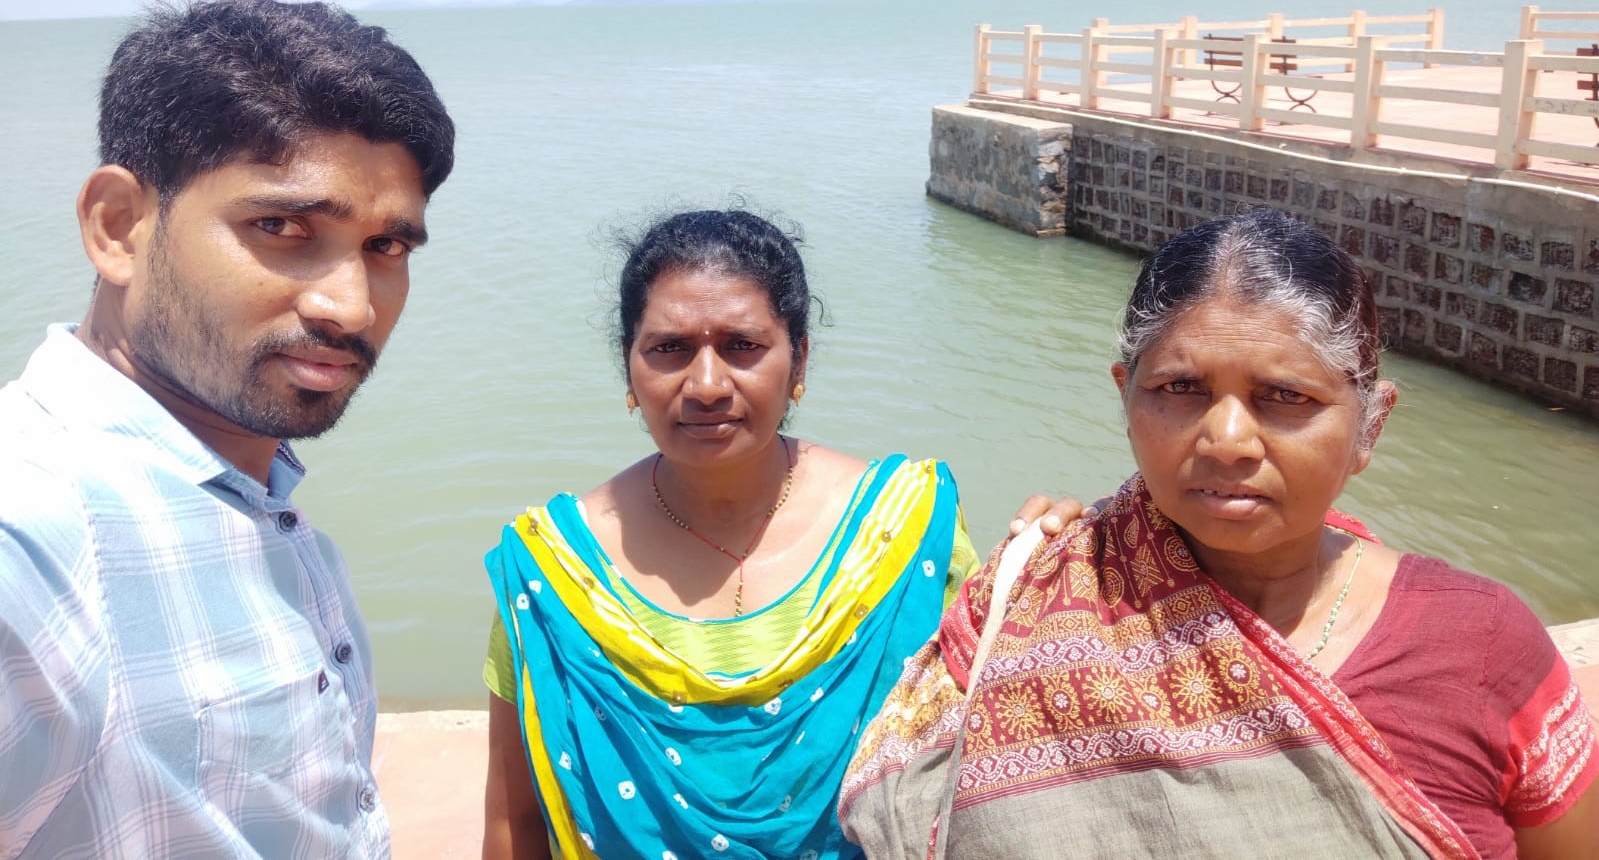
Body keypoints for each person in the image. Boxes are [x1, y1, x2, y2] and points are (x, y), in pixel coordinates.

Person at [841, 208, 1599, 860]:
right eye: (1180, 388)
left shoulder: (1479, 642)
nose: (1227, 437)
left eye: (1284, 395)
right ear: (1124, 396)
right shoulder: (1027, 596)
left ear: (1370, 423)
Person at [0, 0, 455, 858]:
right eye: (280, 227)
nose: (350, 305)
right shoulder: (33, 540)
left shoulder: (253, 492)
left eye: (386, 248)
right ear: (118, 226)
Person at [481, 209, 1081, 860]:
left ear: (799, 356)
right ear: (629, 368)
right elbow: (514, 818)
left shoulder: (903, 535)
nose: (706, 384)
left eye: (741, 346)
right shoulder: (555, 573)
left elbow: (993, 761)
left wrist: (1058, 581)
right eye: (668, 349)